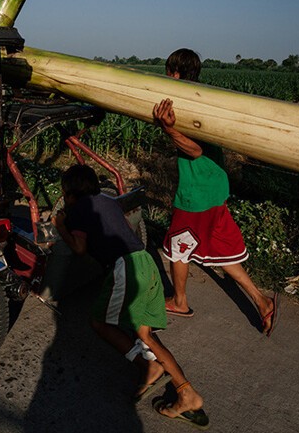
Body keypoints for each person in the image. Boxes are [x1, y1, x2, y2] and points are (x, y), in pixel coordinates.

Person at [53, 164, 208, 427]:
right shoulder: (108, 200)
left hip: (125, 267)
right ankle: (186, 392)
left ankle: (147, 365)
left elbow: (79, 248)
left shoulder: (79, 209)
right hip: (145, 261)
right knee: (145, 333)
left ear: (70, 193)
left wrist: (60, 226)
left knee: (99, 322)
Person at [153, 48, 279, 336]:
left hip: (196, 193)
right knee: (221, 252)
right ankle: (262, 301)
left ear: (174, 73)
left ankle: (180, 301)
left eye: (167, 72)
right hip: (216, 185)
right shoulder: (202, 97)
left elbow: (196, 150)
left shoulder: (184, 103)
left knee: (178, 248)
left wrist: (169, 130)